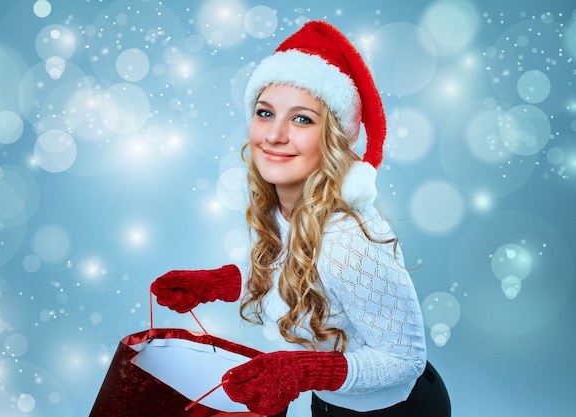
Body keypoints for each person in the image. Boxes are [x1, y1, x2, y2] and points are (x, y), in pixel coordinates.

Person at [151, 20, 451, 417]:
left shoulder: (348, 239)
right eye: (265, 113)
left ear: (332, 137)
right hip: (330, 402)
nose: (274, 135)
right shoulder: (283, 207)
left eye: (302, 119)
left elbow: (405, 360)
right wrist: (218, 282)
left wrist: (301, 371)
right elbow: (289, 273)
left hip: (396, 409)